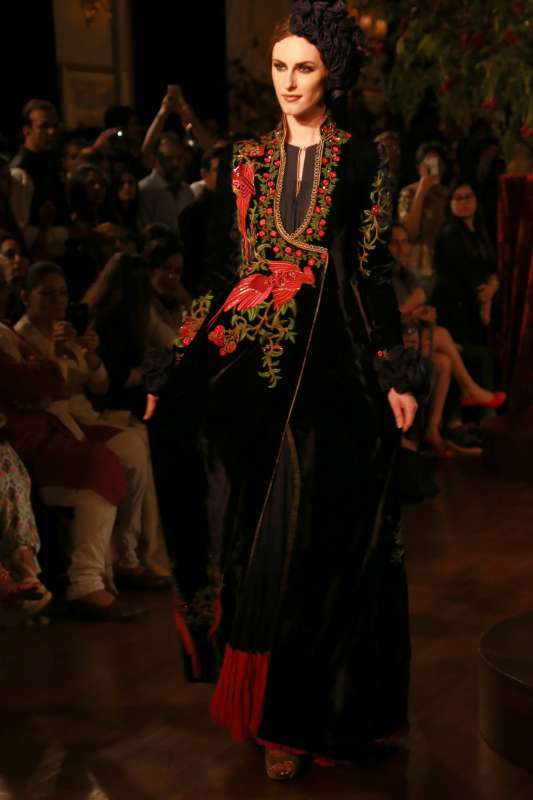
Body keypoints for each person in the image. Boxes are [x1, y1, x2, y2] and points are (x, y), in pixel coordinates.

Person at [150, 0, 425, 780]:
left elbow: (370, 273)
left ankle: (317, 717)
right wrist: (175, 361)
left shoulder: (366, 162)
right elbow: (220, 273)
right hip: (251, 371)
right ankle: (270, 717)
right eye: (278, 66)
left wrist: (393, 371)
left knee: (325, 544)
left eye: (303, 68)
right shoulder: (245, 160)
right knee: (254, 542)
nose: (288, 82)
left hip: (333, 376)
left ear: (331, 73)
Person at [15, 262, 171, 590]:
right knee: (133, 448)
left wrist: (92, 354)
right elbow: (49, 389)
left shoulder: (65, 329)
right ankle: (121, 560)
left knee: (138, 449)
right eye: (47, 293)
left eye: (62, 293)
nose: (56, 300)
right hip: (59, 424)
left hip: (85, 417)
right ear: (26, 297)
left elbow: (98, 384)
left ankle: (131, 553)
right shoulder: (23, 337)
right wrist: (58, 353)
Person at [389, 223, 505, 456]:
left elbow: (411, 317)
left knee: (444, 362)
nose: (401, 248)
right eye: (395, 243)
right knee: (442, 336)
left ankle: (434, 429)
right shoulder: (386, 278)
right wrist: (413, 313)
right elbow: (390, 319)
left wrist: (424, 318)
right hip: (396, 347)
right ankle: (470, 389)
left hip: (415, 340)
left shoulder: (408, 277)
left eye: (405, 242)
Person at [433, 180, 501, 394]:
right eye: (457, 198)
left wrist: (491, 289)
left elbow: (492, 269)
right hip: (457, 307)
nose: (463, 202)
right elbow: (462, 274)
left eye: (467, 197)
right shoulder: (449, 234)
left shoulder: (480, 232)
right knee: (475, 357)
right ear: (450, 203)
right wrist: (484, 296)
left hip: (477, 305)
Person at [138, 133, 194, 233]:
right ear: (155, 158)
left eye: (179, 158)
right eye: (169, 158)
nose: (175, 163)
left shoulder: (186, 190)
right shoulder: (144, 190)